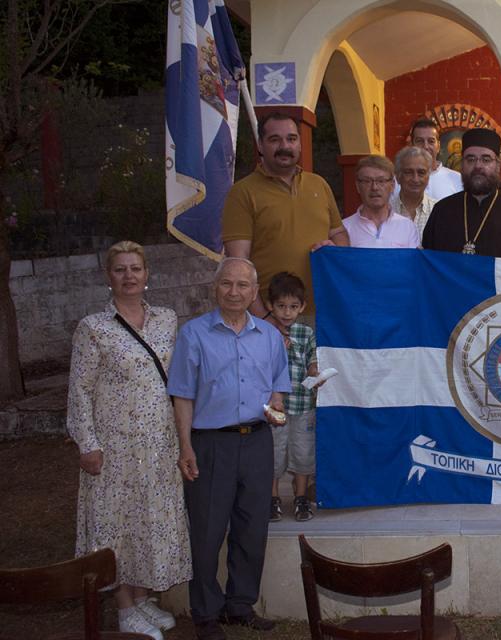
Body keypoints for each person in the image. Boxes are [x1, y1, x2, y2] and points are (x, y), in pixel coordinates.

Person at [67, 241, 191, 640]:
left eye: (135, 268)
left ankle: (140, 599)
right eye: (120, 269)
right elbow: (80, 390)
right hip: (114, 446)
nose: (129, 276)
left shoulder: (166, 320)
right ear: (109, 276)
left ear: (147, 273)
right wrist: (87, 442)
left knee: (148, 522)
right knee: (115, 525)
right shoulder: (93, 328)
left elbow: (180, 377)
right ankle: (123, 608)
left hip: (159, 443)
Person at [168, 257, 291, 640]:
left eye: (242, 285)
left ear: (255, 293)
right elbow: (182, 394)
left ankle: (240, 605)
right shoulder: (193, 334)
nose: (234, 292)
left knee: (252, 528)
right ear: (215, 288)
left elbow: (278, 383)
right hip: (210, 444)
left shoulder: (269, 336)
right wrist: (185, 446)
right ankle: (205, 613)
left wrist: (276, 406)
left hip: (257, 441)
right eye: (227, 284)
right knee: (207, 531)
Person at [222, 112, 349, 318]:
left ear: (300, 144)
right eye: (275, 139)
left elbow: (339, 233)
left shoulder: (319, 184)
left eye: (291, 139)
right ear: (260, 145)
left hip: (325, 313)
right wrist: (265, 319)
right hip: (272, 315)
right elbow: (239, 262)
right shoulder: (242, 192)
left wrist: (335, 249)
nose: (285, 146)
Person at [422, 127, 501, 259]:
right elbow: (428, 264)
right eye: (471, 159)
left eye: (486, 159)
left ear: (498, 165)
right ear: (462, 165)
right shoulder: (442, 211)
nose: (478, 166)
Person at [264, 272, 319, 523]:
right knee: (273, 452)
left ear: (302, 306)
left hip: (303, 404)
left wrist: (315, 371)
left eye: (293, 307)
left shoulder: (306, 333)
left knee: (303, 451)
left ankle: (301, 497)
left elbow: (312, 361)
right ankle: (272, 498)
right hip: (274, 407)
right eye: (281, 306)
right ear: (270, 305)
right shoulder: (264, 332)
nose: (287, 312)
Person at [342, 155, 420, 249]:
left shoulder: (407, 227)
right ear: (358, 186)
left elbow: (413, 258)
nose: (374, 187)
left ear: (392, 185)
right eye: (367, 181)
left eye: (381, 181)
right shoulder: (344, 229)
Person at [407, 118, 463, 200]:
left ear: (438, 146)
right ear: (412, 145)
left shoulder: (457, 179)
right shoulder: (398, 181)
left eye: (431, 141)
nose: (426, 146)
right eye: (420, 141)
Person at [391, 145, 437, 239]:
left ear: (428, 177)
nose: (415, 179)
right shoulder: (386, 210)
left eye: (421, 172)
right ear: (398, 177)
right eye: (408, 172)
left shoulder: (438, 211)